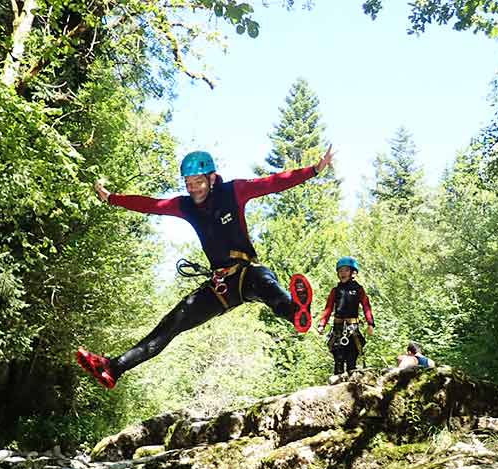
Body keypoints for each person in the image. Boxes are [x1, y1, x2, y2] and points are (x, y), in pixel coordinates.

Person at [75, 147, 335, 388]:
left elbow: (273, 183)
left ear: (212, 178)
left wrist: (314, 170)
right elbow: (152, 205)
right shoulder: (185, 205)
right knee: (172, 322)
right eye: (188, 184)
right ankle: (114, 367)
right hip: (219, 286)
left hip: (245, 273)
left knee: (264, 281)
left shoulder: (233, 191)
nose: (193, 189)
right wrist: (113, 199)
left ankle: (295, 312)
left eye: (198, 182)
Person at [316, 256, 375, 376]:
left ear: (352, 272)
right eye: (340, 271)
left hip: (352, 328)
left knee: (351, 360)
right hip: (338, 329)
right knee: (338, 360)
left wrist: (370, 323)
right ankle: (336, 387)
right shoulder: (335, 291)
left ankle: (351, 387)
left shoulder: (359, 290)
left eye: (346, 270)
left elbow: (366, 306)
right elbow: (328, 308)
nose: (342, 273)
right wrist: (322, 324)